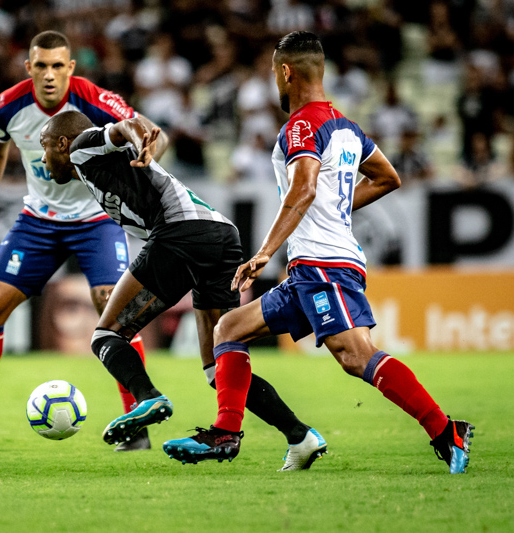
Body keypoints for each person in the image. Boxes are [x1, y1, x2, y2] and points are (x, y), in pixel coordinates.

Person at [164, 31, 474, 473]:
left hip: (324, 264)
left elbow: (304, 187)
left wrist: (264, 252)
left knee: (356, 356)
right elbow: (388, 177)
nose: (274, 79)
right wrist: (333, 206)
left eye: (275, 72)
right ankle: (226, 434)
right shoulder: (346, 127)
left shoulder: (302, 126)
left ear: (285, 72)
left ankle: (446, 430)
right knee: (229, 328)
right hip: (313, 266)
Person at [0, 31, 162, 452]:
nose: (49, 75)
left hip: (96, 218)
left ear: (71, 68)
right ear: (28, 68)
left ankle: (135, 422)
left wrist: (145, 153)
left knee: (112, 303)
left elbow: (147, 130)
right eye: (41, 66)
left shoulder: (96, 101)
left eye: (57, 66)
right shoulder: (8, 106)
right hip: (40, 220)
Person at [40, 110, 327, 469]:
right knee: (219, 364)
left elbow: (122, 128)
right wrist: (141, 138)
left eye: (45, 146)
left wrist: (139, 133)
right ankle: (300, 436)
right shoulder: (98, 167)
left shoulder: (83, 147)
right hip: (222, 237)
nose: (42, 157)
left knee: (106, 334)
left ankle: (148, 398)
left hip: (181, 232)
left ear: (63, 143)